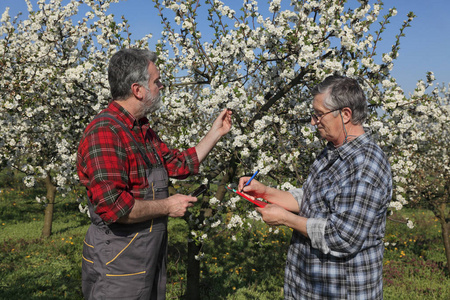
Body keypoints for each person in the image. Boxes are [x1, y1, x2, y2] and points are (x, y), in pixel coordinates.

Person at [77, 48, 232, 300]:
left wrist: (215, 133)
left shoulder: (141, 130)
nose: (162, 86)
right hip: (118, 263)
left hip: (147, 256)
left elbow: (178, 164)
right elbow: (115, 208)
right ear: (138, 90)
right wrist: (168, 206)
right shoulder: (106, 133)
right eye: (157, 81)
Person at [239, 75, 392, 299]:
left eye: (319, 115)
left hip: (339, 290)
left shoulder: (365, 164)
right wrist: (265, 192)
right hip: (307, 286)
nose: (313, 122)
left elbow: (343, 237)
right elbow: (313, 199)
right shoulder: (331, 151)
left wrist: (284, 219)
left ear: (345, 114)